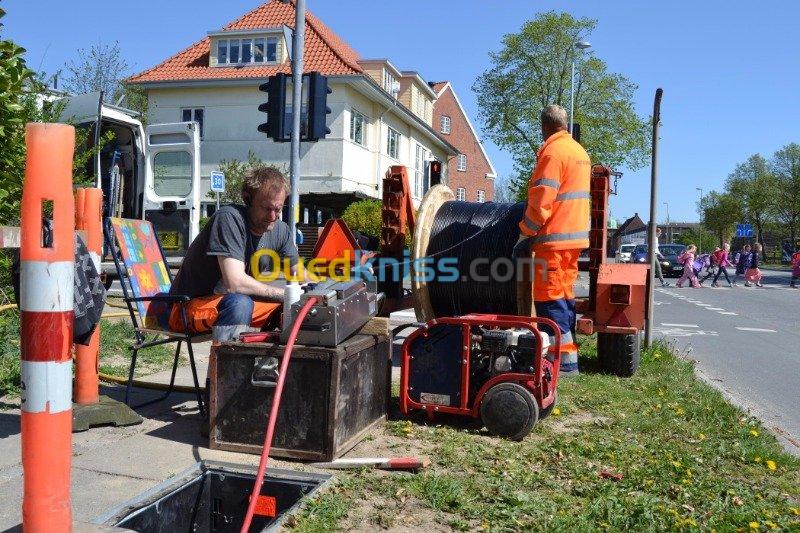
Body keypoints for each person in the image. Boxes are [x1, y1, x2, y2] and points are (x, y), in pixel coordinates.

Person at [168, 166, 300, 342]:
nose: (273, 216)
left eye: (278, 209)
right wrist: (285, 294)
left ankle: (269, 366)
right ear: (247, 199)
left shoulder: (281, 230)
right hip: (185, 309)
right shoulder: (229, 218)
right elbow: (235, 284)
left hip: (232, 305)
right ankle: (227, 368)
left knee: (296, 311)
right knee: (240, 303)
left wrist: (321, 291)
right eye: (266, 208)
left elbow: (298, 274)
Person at [517, 104, 590, 377]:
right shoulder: (579, 151)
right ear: (566, 124)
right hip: (572, 240)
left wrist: (527, 230)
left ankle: (562, 364)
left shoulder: (552, 151)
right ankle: (567, 357)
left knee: (548, 297)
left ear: (544, 126)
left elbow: (543, 197)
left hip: (553, 240)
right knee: (564, 295)